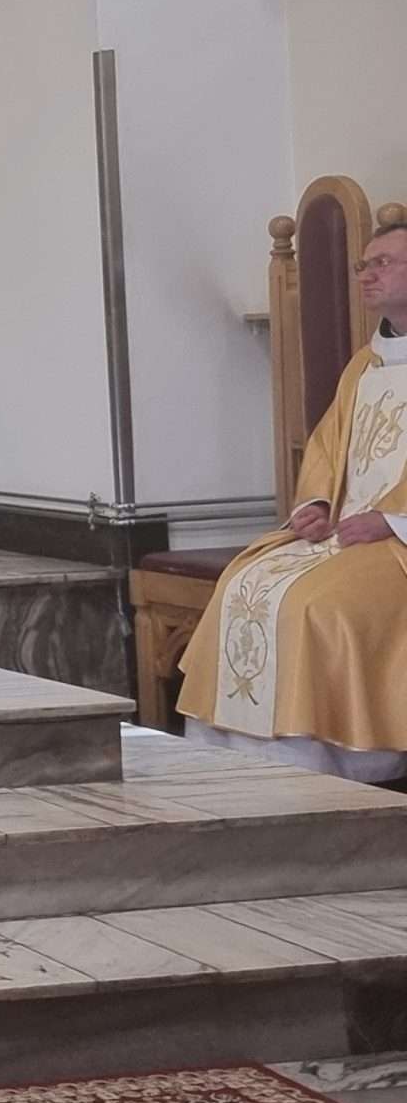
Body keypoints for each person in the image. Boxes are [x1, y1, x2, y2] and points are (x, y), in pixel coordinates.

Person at [178, 220, 407, 781]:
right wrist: (316, 504)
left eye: (383, 263)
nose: (366, 275)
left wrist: (391, 520)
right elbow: (328, 445)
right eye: (364, 265)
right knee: (242, 582)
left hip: (397, 542)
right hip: (348, 532)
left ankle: (328, 762)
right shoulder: (365, 365)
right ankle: (229, 760)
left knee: (312, 604)